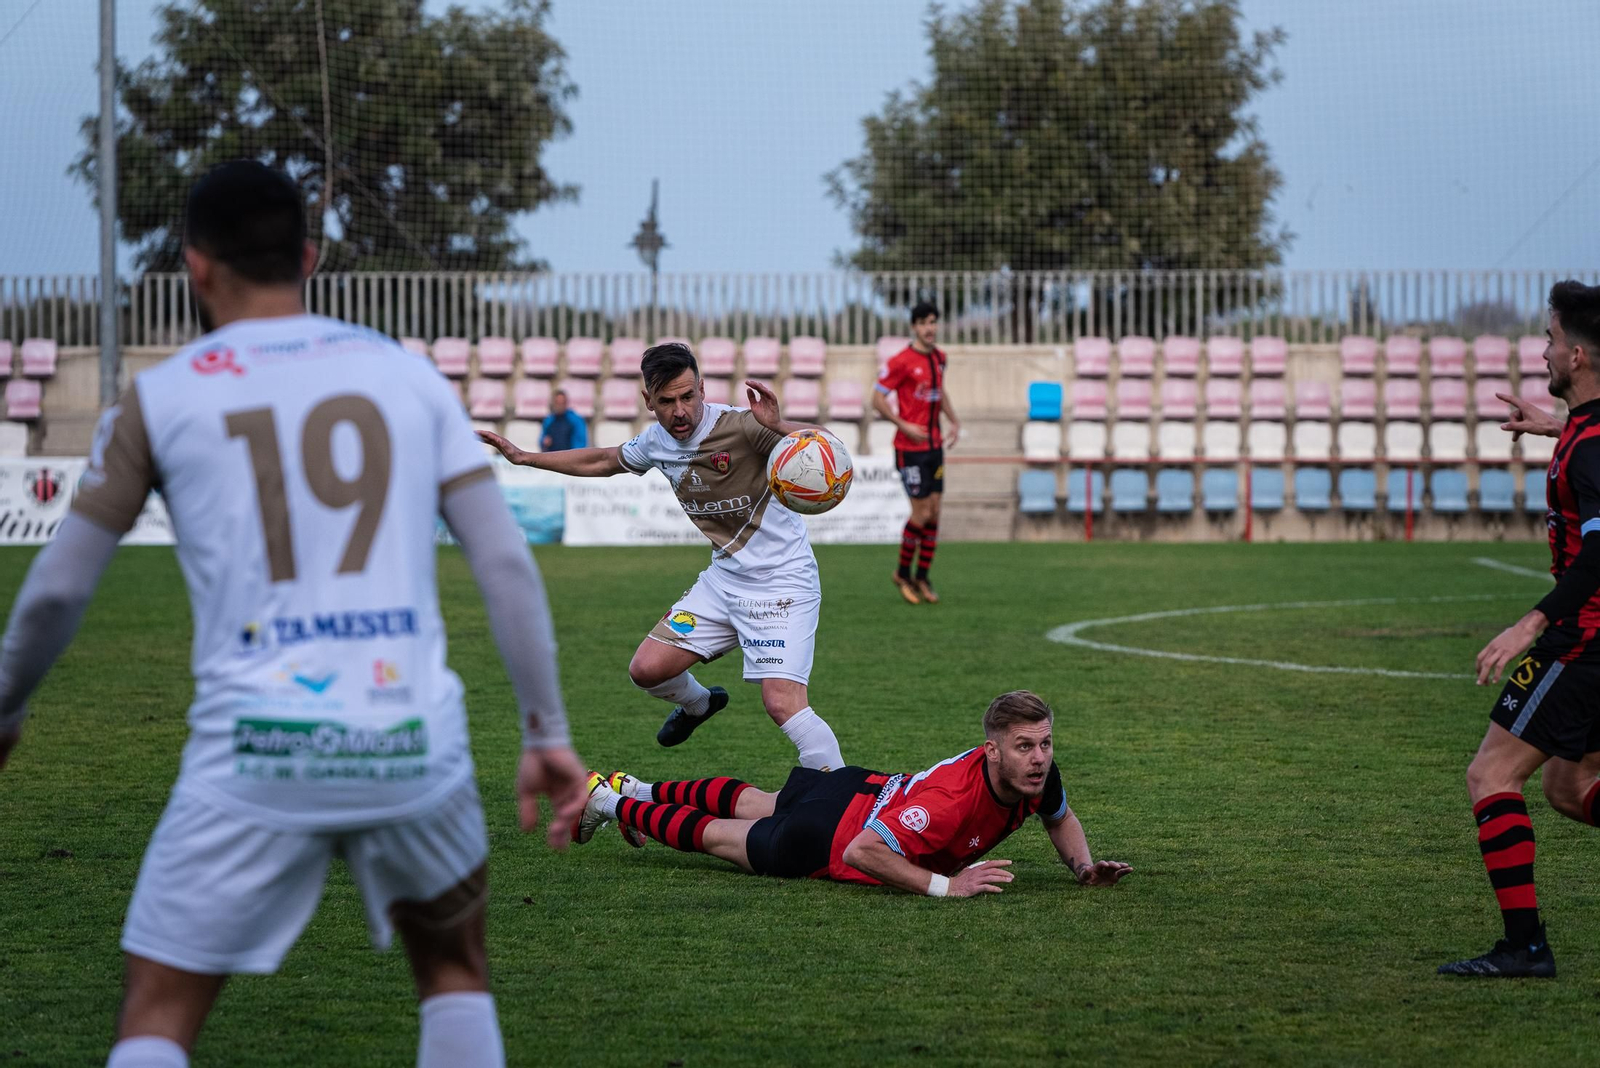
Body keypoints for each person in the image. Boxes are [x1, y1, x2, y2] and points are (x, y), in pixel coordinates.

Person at [0, 161, 589, 1067]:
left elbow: (58, 589)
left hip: (254, 752)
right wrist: (545, 727)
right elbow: (503, 559)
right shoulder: (407, 376)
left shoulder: (158, 400)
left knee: (157, 1009)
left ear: (194, 266)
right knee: (454, 974)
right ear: (308, 256)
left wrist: (6, 706)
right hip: (408, 742)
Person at [477, 344, 846, 771]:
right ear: (648, 401)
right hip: (725, 582)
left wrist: (779, 426)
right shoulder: (656, 441)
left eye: (688, 396)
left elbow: (830, 447)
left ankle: (841, 801)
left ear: (703, 390)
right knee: (647, 670)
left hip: (783, 584)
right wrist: (524, 458)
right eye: (667, 401)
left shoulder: (744, 427)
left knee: (782, 703)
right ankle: (700, 705)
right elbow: (602, 459)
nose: (680, 411)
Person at [572, 690, 1131, 898]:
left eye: (1045, 744)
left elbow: (1059, 818)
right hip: (822, 839)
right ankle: (607, 802)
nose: (1039, 759)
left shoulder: (1038, 776)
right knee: (719, 836)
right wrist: (947, 886)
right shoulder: (950, 803)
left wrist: (1082, 869)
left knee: (754, 800)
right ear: (991, 751)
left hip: (854, 787)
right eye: (1025, 747)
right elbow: (863, 852)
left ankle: (635, 787)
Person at [1440, 280, 1600, 979]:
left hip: (1584, 643)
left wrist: (1532, 620)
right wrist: (1554, 426)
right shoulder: (1589, 431)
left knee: (1491, 775)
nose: (1542, 351)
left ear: (1579, 353)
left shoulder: (1593, 444)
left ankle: (1525, 947)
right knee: (1570, 789)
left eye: (1548, 339)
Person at [873, 301, 960, 605]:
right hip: (910, 450)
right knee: (920, 513)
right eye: (924, 322)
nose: (930, 328)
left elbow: (941, 391)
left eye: (934, 322)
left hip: (934, 448)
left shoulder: (939, 358)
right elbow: (877, 399)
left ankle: (922, 576)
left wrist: (954, 419)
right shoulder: (901, 361)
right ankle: (902, 573)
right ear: (914, 327)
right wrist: (904, 425)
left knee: (935, 513)